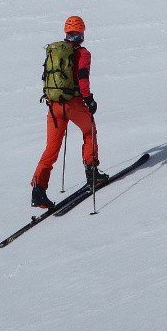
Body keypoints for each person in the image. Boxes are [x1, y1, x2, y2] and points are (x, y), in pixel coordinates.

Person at [31, 15, 109, 209]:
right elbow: (82, 77)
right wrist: (88, 98)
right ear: (82, 33)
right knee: (89, 130)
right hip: (72, 104)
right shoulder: (82, 53)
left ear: (66, 32)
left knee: (51, 149)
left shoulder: (56, 51)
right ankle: (92, 173)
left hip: (53, 105)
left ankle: (38, 190)